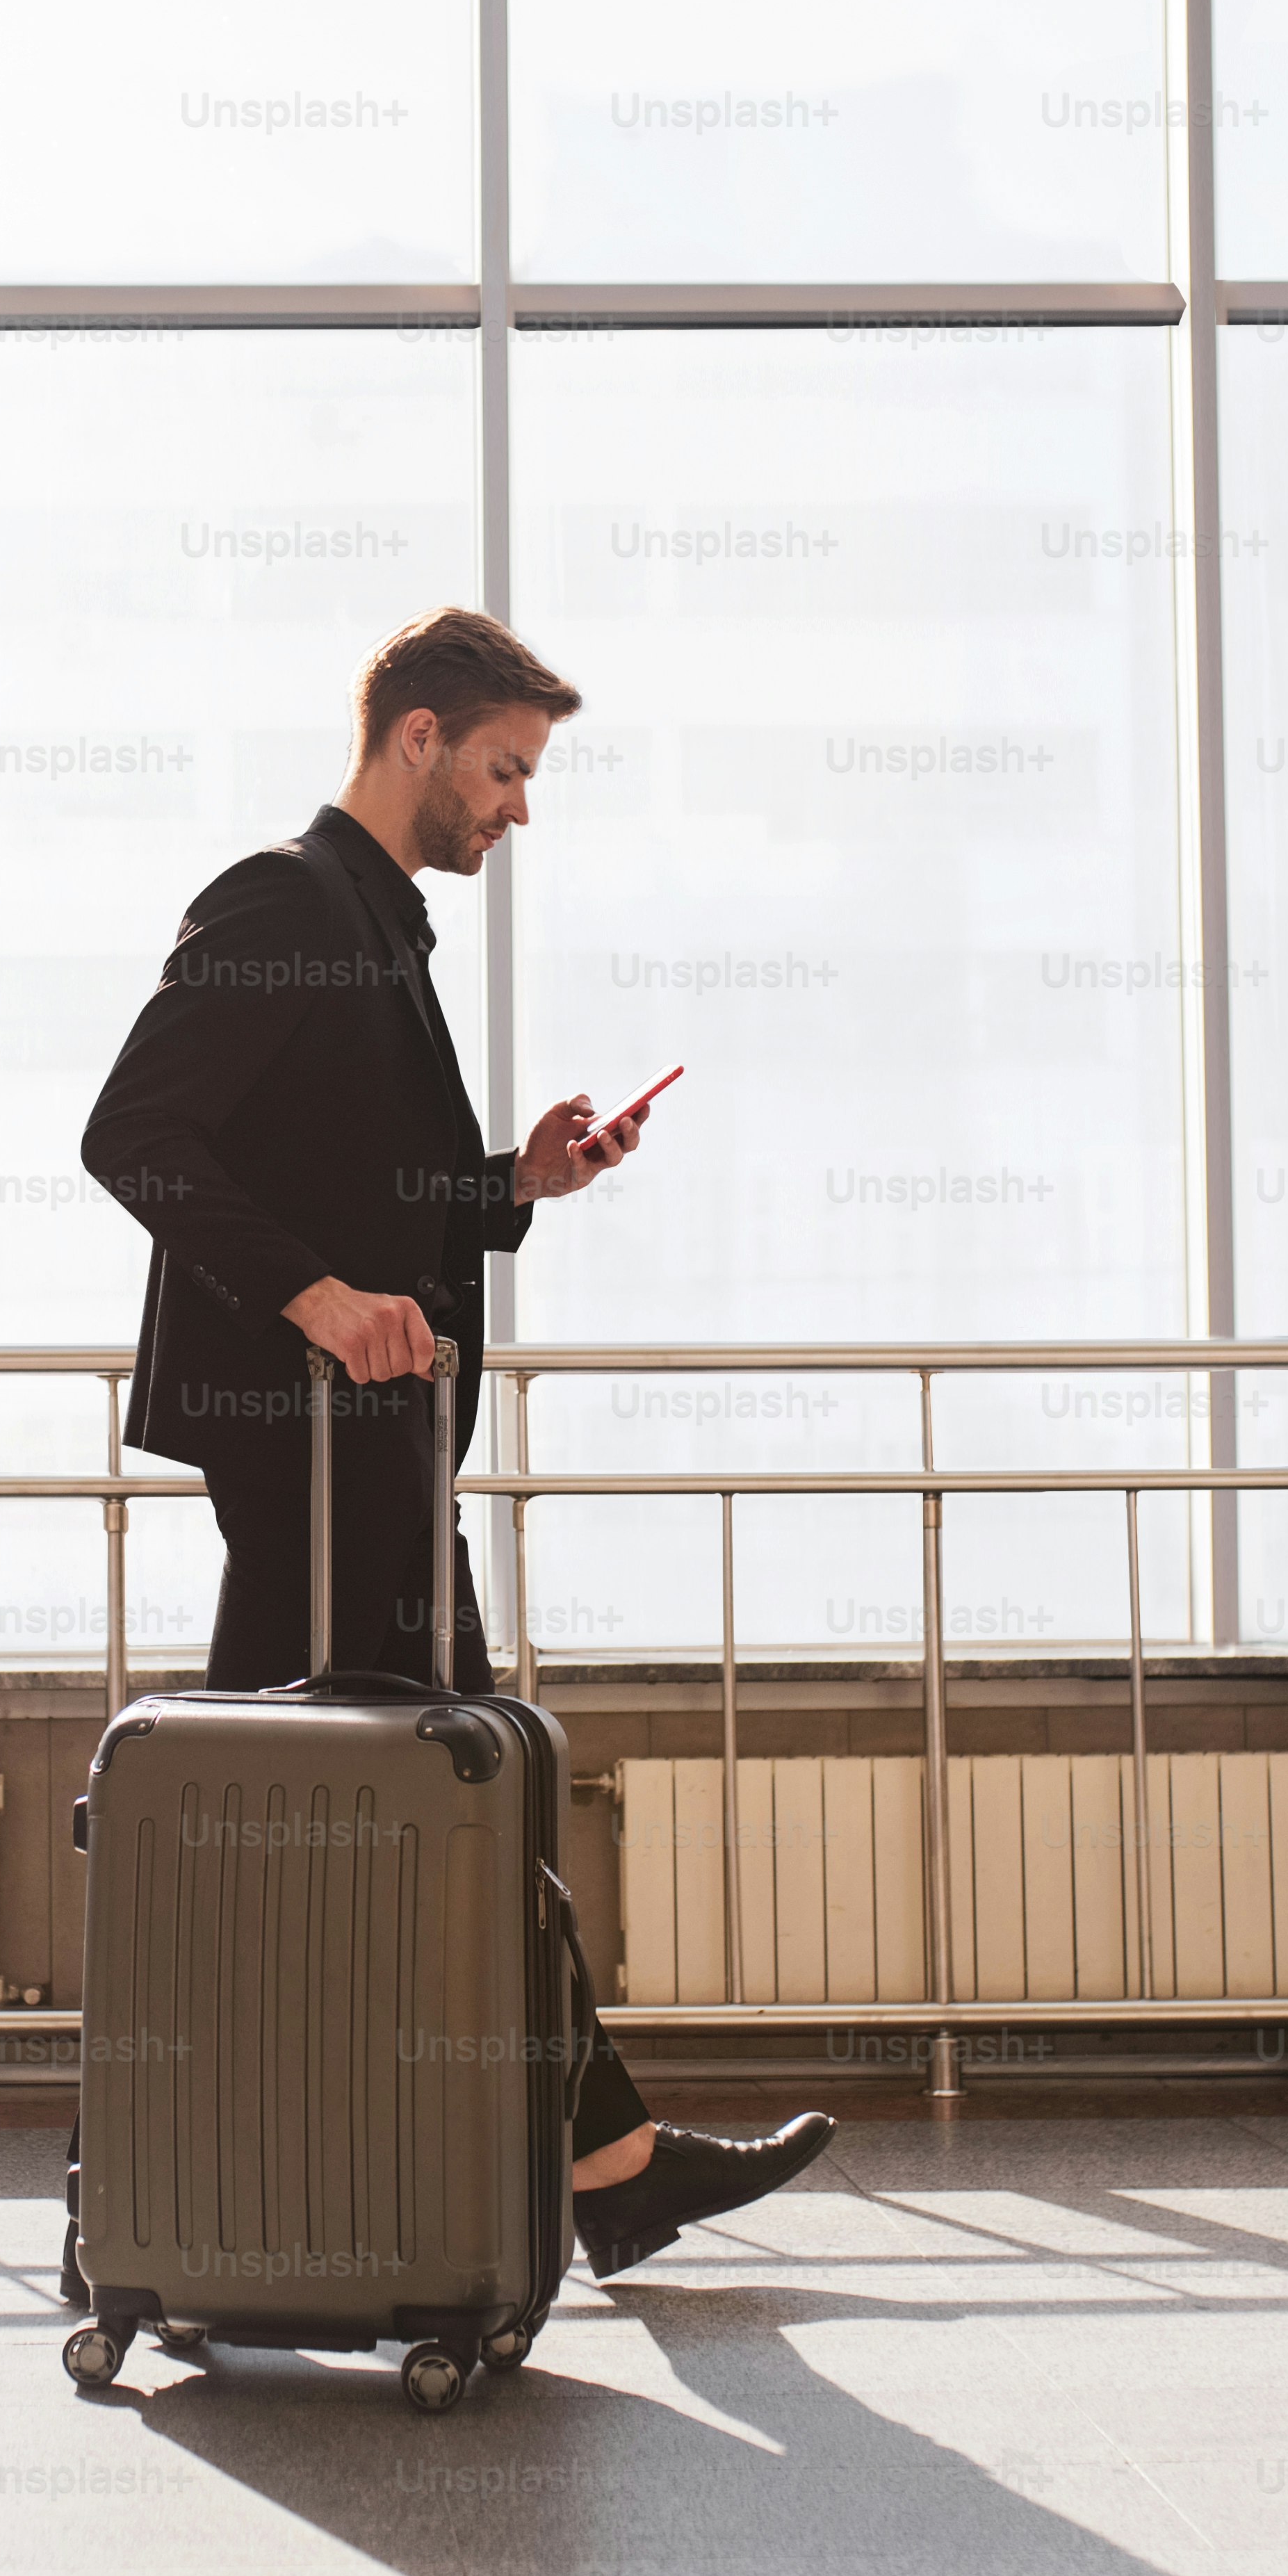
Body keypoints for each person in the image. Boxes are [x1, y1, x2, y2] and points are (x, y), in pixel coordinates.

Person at [79, 605, 833, 2279]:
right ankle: (592, 2166)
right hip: (321, 1449)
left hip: (368, 1451)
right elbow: (134, 1133)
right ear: (416, 737)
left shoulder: (379, 925)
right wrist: (312, 1301)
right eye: (503, 767)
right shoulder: (283, 900)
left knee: (299, 1820)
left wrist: (513, 1185)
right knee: (450, 1790)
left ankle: (577, 2163)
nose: (517, 806)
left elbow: (341, 1174)